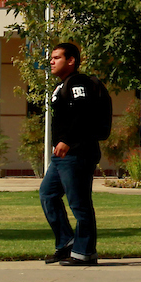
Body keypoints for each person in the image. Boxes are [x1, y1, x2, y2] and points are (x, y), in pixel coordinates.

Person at [41, 41, 115, 266]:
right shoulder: (63, 85)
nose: (51, 62)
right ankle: (66, 243)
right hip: (62, 157)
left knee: (79, 203)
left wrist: (67, 140)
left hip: (78, 153)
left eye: (57, 58)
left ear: (71, 60)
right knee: (48, 195)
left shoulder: (78, 82)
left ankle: (85, 252)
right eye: (51, 58)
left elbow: (83, 113)